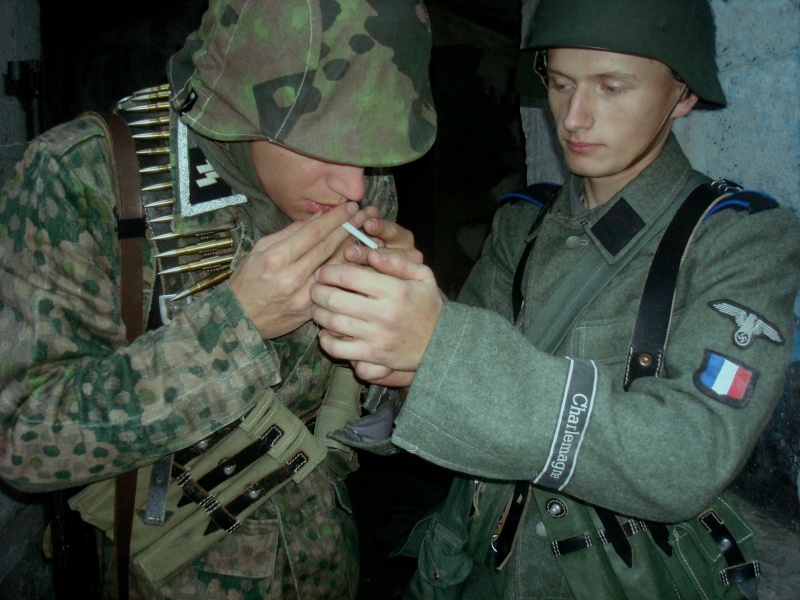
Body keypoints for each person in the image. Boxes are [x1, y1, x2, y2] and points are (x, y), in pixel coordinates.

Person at [309, 0, 800, 597]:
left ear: (683, 93)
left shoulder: (741, 239)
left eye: (612, 88)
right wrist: (398, 347)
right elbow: (459, 410)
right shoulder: (522, 225)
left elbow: (689, 457)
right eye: (561, 84)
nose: (573, 118)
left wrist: (438, 343)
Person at [0, 0, 436, 598]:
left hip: (327, 555)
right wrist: (236, 328)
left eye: (369, 152)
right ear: (241, 103)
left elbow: (361, 412)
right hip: (168, 571)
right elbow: (22, 438)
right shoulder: (85, 178)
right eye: (326, 145)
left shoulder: (362, 186)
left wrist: (400, 352)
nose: (355, 185)